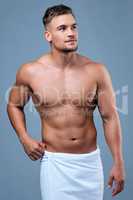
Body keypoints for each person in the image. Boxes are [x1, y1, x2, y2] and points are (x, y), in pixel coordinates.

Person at [7, 4, 125, 200]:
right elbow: (13, 105)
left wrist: (119, 162)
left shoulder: (96, 71)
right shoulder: (30, 71)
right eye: (62, 28)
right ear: (48, 36)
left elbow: (109, 117)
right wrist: (24, 138)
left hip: (90, 163)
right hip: (55, 164)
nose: (71, 33)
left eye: (74, 27)